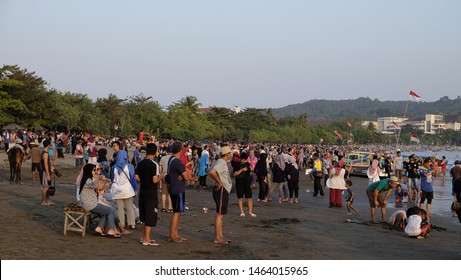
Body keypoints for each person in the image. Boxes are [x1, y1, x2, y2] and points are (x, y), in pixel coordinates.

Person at [79, 163, 121, 238]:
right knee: (111, 210)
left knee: (106, 212)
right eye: (94, 170)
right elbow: (95, 186)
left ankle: (99, 228)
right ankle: (111, 229)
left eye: (95, 170)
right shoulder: (87, 180)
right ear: (89, 171)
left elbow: (95, 188)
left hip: (89, 203)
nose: (95, 172)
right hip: (90, 204)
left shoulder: (86, 179)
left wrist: (104, 182)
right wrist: (99, 179)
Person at [135, 143, 161, 246]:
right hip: (151, 192)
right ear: (155, 152)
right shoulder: (154, 164)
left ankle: (143, 237)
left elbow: (136, 177)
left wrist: (144, 180)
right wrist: (161, 177)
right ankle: (147, 239)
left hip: (143, 190)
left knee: (144, 215)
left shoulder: (140, 163)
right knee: (150, 215)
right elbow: (155, 180)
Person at [167, 141, 191, 243]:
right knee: (177, 213)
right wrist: (185, 174)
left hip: (173, 188)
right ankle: (172, 235)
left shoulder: (171, 159)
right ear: (181, 150)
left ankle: (175, 234)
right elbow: (186, 177)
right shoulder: (177, 161)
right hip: (178, 189)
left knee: (177, 212)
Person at [209, 146, 233, 244]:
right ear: (227, 154)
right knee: (220, 214)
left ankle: (220, 235)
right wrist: (219, 182)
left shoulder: (220, 162)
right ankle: (217, 238)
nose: (231, 155)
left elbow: (210, 170)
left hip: (222, 190)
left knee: (221, 214)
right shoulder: (222, 162)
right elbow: (212, 172)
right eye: (230, 153)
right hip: (221, 190)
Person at [111, 149, 137, 232]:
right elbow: (132, 179)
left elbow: (112, 179)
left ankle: (122, 224)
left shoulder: (113, 167)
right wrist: (135, 189)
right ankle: (132, 224)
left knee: (120, 208)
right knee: (129, 207)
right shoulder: (130, 166)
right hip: (127, 190)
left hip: (117, 190)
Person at [232, 152, 256, 217]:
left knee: (249, 197)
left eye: (245, 159)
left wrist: (250, 171)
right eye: (243, 159)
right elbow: (234, 174)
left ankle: (250, 212)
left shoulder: (247, 164)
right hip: (239, 182)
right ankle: (242, 212)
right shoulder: (236, 164)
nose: (244, 161)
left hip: (247, 182)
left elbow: (250, 173)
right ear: (240, 159)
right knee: (240, 197)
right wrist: (242, 170)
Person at [159, 145, 173, 213]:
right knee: (170, 193)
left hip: (164, 175)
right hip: (171, 176)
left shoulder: (163, 158)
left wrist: (160, 178)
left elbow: (160, 169)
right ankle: (170, 208)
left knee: (164, 193)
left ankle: (163, 207)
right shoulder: (174, 158)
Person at [419, 157, 434, 222]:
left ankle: (428, 212)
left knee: (429, 200)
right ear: (425, 163)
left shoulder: (430, 168)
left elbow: (434, 175)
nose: (429, 165)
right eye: (428, 163)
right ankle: (421, 212)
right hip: (424, 187)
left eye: (430, 163)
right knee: (422, 200)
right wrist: (432, 171)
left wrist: (434, 169)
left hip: (430, 187)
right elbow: (426, 175)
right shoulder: (421, 169)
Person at [40, 140, 53, 206]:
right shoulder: (45, 154)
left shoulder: (45, 152)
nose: (51, 146)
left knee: (48, 186)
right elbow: (45, 165)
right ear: (48, 145)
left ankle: (48, 200)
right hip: (45, 172)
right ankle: (43, 201)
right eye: (50, 145)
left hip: (46, 171)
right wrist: (48, 174)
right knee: (45, 187)